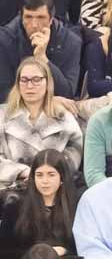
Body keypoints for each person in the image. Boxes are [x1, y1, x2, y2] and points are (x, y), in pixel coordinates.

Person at [0, 56, 80, 198]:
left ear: (47, 82)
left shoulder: (63, 116)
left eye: (36, 80)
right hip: (13, 188)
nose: (29, 86)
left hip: (55, 189)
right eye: (24, 80)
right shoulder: (3, 115)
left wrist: (48, 175)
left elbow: (74, 151)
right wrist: (23, 172)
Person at [0, 0, 81, 102]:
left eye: (40, 17)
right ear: (21, 17)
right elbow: (3, 92)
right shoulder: (4, 39)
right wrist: (45, 101)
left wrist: (43, 58)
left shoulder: (71, 42)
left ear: (51, 19)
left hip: (54, 110)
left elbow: (67, 93)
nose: (34, 25)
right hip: (14, 108)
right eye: (28, 17)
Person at [2, 149, 78, 259]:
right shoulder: (15, 206)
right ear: (33, 177)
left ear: (61, 177)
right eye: (39, 175)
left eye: (51, 175)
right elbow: (5, 251)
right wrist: (42, 254)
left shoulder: (75, 205)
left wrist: (65, 250)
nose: (45, 181)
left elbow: (81, 247)